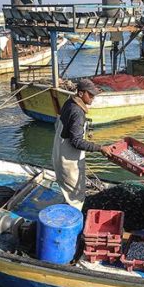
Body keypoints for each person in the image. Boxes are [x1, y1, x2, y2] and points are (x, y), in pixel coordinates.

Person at [52, 79, 112, 210]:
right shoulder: (77, 112)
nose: (93, 97)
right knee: (76, 197)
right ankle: (74, 224)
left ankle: (67, 209)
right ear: (80, 94)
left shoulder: (69, 102)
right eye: (90, 94)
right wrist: (100, 148)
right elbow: (76, 141)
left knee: (67, 189)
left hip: (58, 154)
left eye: (94, 94)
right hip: (69, 161)